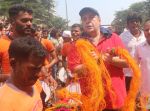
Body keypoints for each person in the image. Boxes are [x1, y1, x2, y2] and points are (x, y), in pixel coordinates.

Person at [67, 7, 128, 111]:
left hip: (116, 98)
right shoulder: (78, 44)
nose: (88, 21)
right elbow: (74, 69)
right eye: (84, 19)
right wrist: (91, 63)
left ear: (99, 20)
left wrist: (109, 60)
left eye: (91, 17)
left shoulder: (113, 38)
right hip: (92, 101)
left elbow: (127, 63)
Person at [0, 37, 47, 111]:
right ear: (13, 63)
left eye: (39, 68)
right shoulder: (4, 104)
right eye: (33, 69)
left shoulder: (30, 84)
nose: (39, 75)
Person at [0, 4, 33, 82]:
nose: (29, 24)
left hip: (37, 91)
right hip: (12, 92)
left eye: (31, 20)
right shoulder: (2, 44)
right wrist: (12, 78)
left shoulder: (33, 42)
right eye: (24, 20)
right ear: (12, 22)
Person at [120, 12, 145, 92]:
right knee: (128, 99)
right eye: (132, 21)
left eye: (137, 21)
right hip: (127, 74)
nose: (135, 23)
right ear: (128, 24)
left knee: (142, 98)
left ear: (140, 23)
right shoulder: (122, 37)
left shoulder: (145, 36)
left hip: (143, 73)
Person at [135, 19, 150, 110]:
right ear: (143, 32)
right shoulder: (139, 48)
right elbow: (135, 68)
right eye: (146, 30)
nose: (149, 32)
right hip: (145, 92)